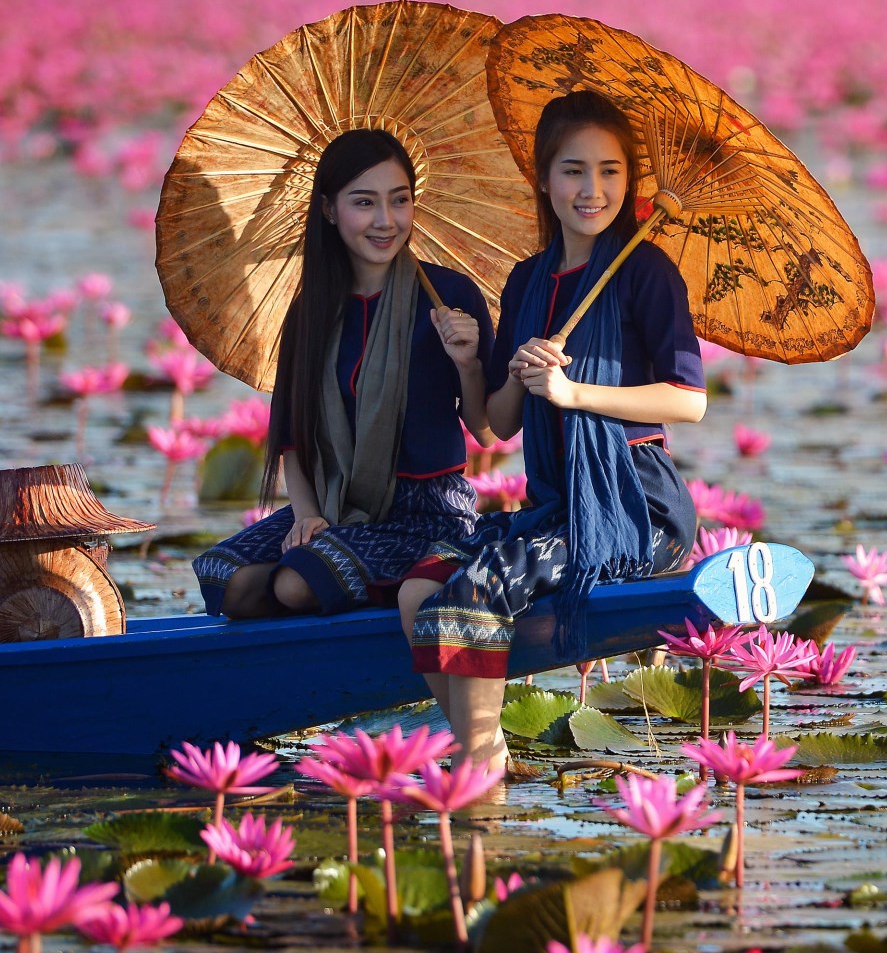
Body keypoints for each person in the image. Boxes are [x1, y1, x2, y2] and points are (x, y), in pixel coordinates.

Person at [411, 90, 705, 769]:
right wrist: (496, 370)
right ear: (543, 179)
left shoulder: (646, 273)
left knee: (476, 587)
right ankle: (481, 749)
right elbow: (499, 425)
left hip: (637, 508)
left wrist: (574, 392)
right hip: (556, 506)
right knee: (426, 581)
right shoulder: (526, 281)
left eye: (610, 171)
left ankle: (479, 768)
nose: (592, 189)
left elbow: (689, 400)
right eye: (573, 170)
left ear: (630, 181)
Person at [192, 128, 495, 648]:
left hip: (426, 512)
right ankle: (322, 619)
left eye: (399, 201)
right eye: (364, 203)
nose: (385, 221)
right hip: (336, 500)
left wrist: (467, 364)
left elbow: (487, 429)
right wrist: (308, 514)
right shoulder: (312, 309)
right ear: (330, 210)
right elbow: (293, 436)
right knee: (228, 579)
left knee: (295, 583)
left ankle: (376, 603)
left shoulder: (448, 295)